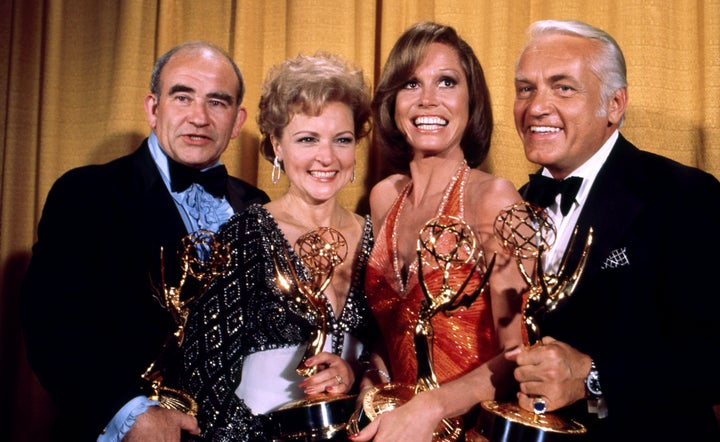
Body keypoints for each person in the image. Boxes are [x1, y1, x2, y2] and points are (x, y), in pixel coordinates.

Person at [20, 41, 270, 441]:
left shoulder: (256, 205)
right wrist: (129, 413)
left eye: (217, 102)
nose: (199, 117)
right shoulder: (88, 193)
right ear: (153, 109)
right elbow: (52, 326)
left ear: (237, 120)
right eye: (182, 96)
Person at [506, 19, 720, 440]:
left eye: (563, 87)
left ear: (615, 104)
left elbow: (712, 354)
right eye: (525, 88)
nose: (536, 107)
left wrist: (593, 375)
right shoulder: (513, 204)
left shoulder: (683, 195)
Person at [178, 52, 378, 441]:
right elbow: (205, 374)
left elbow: (389, 350)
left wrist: (354, 371)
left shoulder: (375, 236)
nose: (327, 157)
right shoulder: (246, 234)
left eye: (342, 140)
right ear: (277, 145)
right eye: (307, 139)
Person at [349, 21, 527, 442]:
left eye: (446, 82)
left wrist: (431, 408)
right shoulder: (383, 198)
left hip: (470, 429)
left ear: (472, 100)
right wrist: (371, 379)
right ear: (393, 102)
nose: (427, 99)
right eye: (411, 83)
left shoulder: (493, 198)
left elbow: (520, 353)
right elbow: (392, 328)